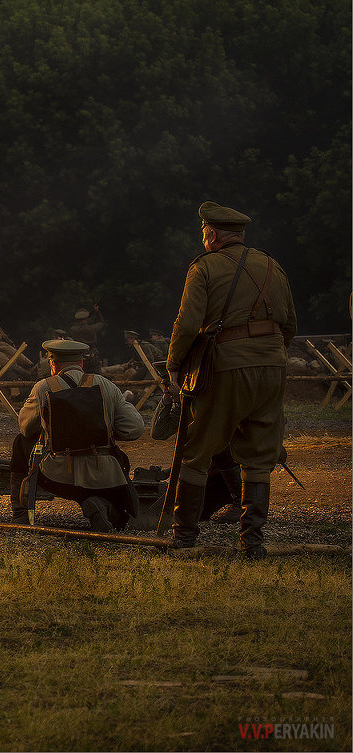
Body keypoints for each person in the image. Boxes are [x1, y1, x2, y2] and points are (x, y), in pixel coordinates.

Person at [165, 201, 297, 557]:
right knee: (258, 455)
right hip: (273, 366)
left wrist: (174, 365)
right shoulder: (273, 266)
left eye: (203, 233)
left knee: (198, 450)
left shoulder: (203, 268)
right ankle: (252, 542)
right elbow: (289, 325)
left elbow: (189, 324)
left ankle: (184, 536)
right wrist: (269, 357)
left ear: (211, 234)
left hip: (226, 366)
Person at [9, 338, 146, 530]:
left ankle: (20, 511)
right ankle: (101, 505)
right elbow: (134, 428)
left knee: (21, 442)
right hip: (103, 474)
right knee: (121, 518)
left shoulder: (43, 387)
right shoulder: (106, 385)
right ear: (81, 363)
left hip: (57, 474)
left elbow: (25, 428)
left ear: (53, 363)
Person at [69, 304, 105, 372]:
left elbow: (78, 323)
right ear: (86, 319)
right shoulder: (92, 328)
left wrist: (91, 313)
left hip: (79, 355)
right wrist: (97, 311)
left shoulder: (73, 329)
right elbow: (101, 322)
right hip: (92, 353)